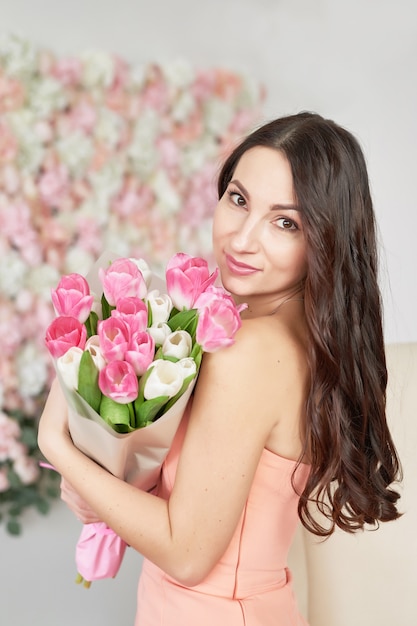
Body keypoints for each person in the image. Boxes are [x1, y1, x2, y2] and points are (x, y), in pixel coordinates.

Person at [38, 111, 402, 625]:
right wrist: (113, 485)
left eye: (285, 222)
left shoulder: (250, 349)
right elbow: (207, 495)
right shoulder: (292, 335)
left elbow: (187, 554)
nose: (242, 239)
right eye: (238, 199)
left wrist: (56, 444)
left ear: (326, 239)